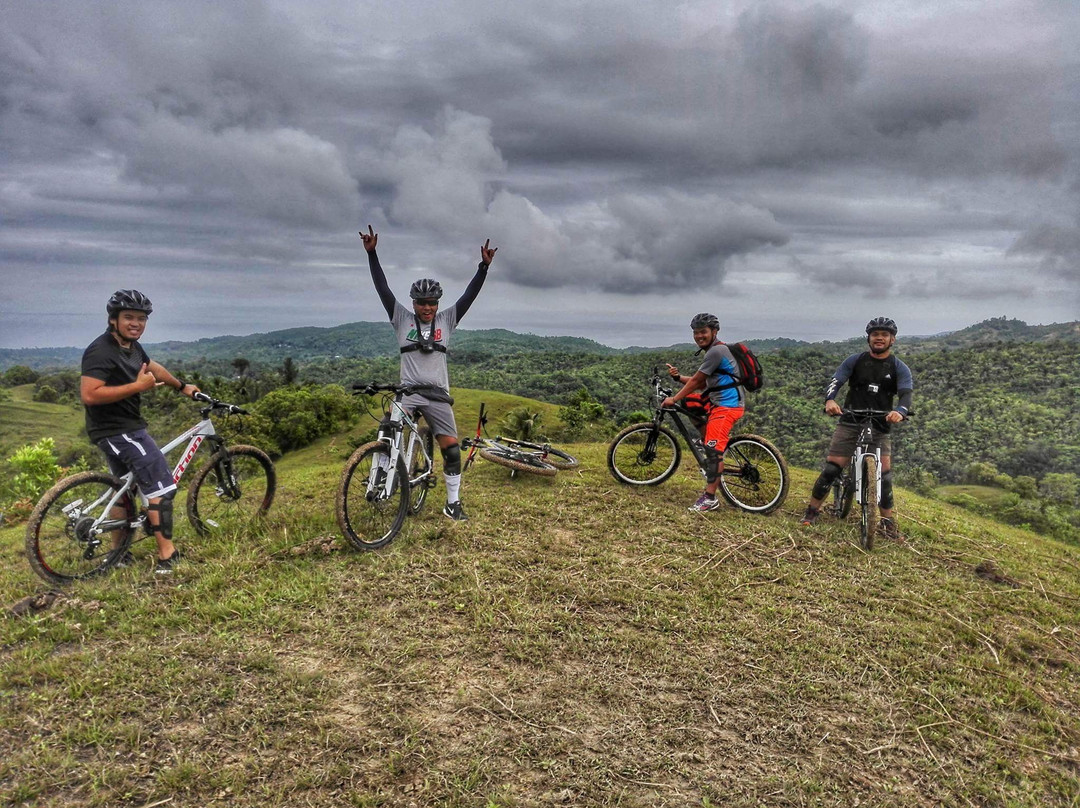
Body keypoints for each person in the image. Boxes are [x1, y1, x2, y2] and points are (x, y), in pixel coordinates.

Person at [360, 225, 497, 521]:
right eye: (422, 302)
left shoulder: (447, 320)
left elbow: (468, 296)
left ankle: (452, 503)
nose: (427, 307)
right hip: (408, 391)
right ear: (413, 303)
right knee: (386, 427)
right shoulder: (401, 319)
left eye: (432, 302)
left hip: (437, 395)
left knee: (450, 449)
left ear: (437, 304)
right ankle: (381, 479)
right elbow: (382, 289)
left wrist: (483, 267)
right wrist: (373, 255)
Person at [80, 290, 201, 573]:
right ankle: (167, 558)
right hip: (119, 430)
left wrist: (181, 386)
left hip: (120, 429)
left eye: (141, 318)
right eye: (129, 317)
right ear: (113, 320)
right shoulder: (101, 350)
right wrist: (137, 387)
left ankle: (118, 554)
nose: (136, 323)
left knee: (125, 489)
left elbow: (152, 368)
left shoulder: (131, 347)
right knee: (161, 485)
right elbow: (89, 394)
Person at [800, 316, 913, 539]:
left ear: (893, 340)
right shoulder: (855, 361)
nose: (879, 338)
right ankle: (812, 511)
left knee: (885, 476)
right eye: (875, 335)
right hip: (851, 420)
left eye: (884, 335)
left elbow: (906, 394)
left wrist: (900, 411)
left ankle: (887, 524)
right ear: (869, 338)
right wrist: (830, 400)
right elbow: (836, 380)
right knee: (832, 469)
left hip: (880, 423)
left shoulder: (899, 367)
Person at [661, 313, 746, 512]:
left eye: (703, 332)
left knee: (713, 451)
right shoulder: (716, 351)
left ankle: (710, 498)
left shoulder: (715, 352)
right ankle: (708, 438)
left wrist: (673, 398)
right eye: (696, 333)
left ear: (714, 332)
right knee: (690, 402)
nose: (699, 336)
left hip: (727, 407)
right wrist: (678, 378)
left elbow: (697, 381)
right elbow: (700, 381)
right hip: (716, 401)